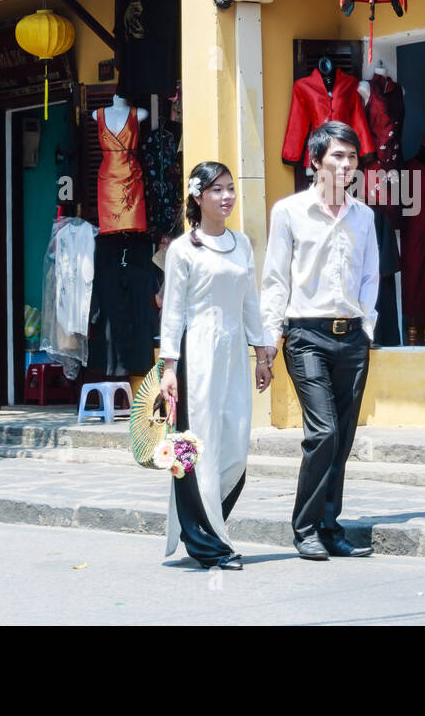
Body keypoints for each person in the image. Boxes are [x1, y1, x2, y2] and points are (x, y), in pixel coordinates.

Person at [261, 121, 380, 560]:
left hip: (351, 336)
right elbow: (274, 278)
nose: (346, 164)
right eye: (337, 155)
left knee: (343, 435)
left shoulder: (364, 216)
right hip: (305, 335)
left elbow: (370, 276)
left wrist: (367, 326)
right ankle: (305, 527)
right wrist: (269, 340)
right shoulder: (289, 212)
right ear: (315, 162)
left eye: (351, 157)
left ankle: (330, 527)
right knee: (323, 431)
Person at [159, 162, 274, 570]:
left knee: (234, 443)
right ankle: (208, 542)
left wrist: (261, 353)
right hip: (196, 355)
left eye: (230, 189)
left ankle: (209, 527)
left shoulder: (241, 244)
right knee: (195, 446)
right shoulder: (182, 250)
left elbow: (250, 302)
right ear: (197, 196)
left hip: (232, 355)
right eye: (216, 190)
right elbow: (172, 312)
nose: (227, 197)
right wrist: (168, 368)